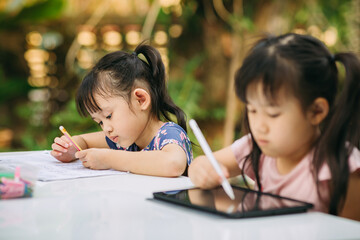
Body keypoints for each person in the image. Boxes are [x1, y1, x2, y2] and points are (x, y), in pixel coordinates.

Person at [188, 33, 360, 220]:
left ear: (316, 111)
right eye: (252, 110)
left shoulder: (341, 168)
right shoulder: (255, 147)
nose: (259, 127)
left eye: (273, 114)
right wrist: (201, 171)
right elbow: (204, 163)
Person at [51, 43, 193, 177]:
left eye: (109, 116)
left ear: (140, 100)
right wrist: (71, 149)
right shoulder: (127, 137)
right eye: (99, 122)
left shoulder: (169, 134)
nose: (106, 128)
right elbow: (83, 141)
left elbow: (173, 164)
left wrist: (109, 159)